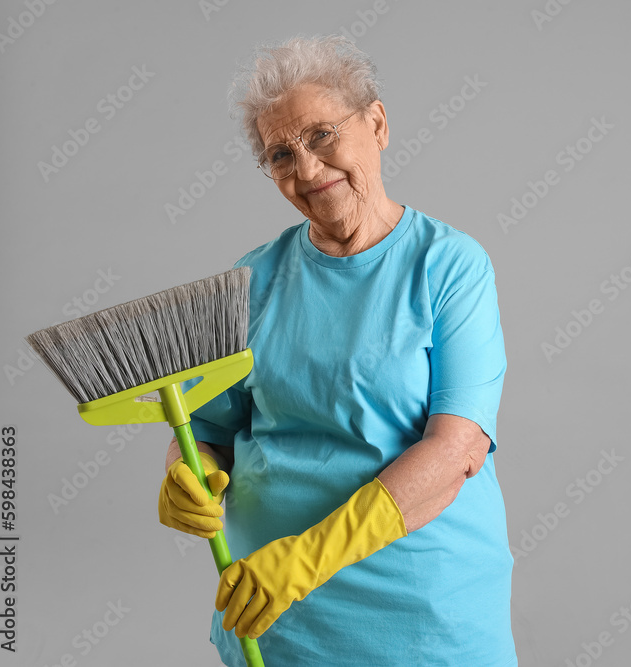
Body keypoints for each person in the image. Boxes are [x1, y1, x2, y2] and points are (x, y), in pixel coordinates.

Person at [156, 35, 517, 666]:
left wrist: (305, 559)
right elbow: (208, 427)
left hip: (422, 620)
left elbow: (458, 448)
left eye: (322, 135)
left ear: (376, 124)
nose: (306, 168)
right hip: (276, 619)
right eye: (280, 154)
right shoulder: (251, 281)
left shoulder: (449, 265)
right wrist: (189, 474)